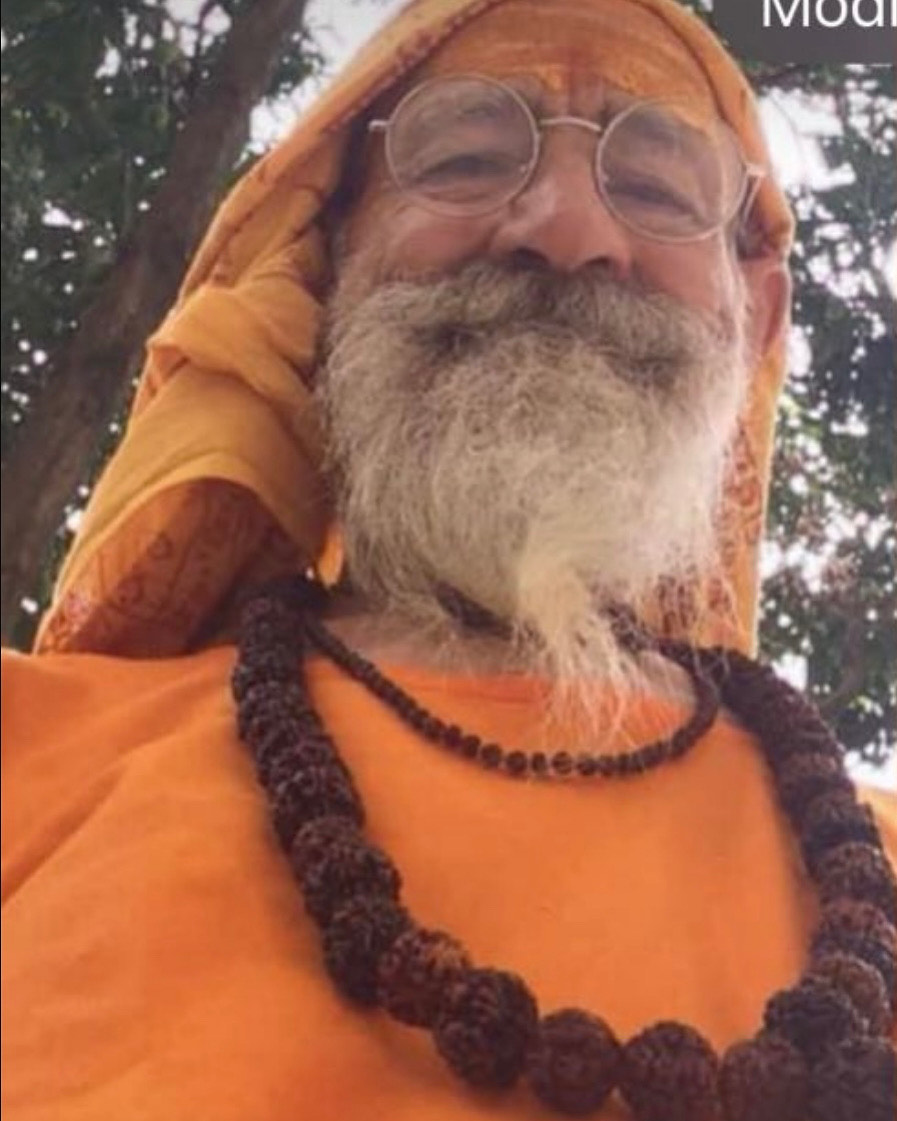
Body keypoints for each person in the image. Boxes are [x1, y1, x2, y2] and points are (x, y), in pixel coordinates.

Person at [2, 0, 894, 1118]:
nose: (567, 229)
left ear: (756, 317)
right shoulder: (28, 751)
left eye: (657, 188)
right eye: (468, 157)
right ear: (325, 266)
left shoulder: (873, 877)